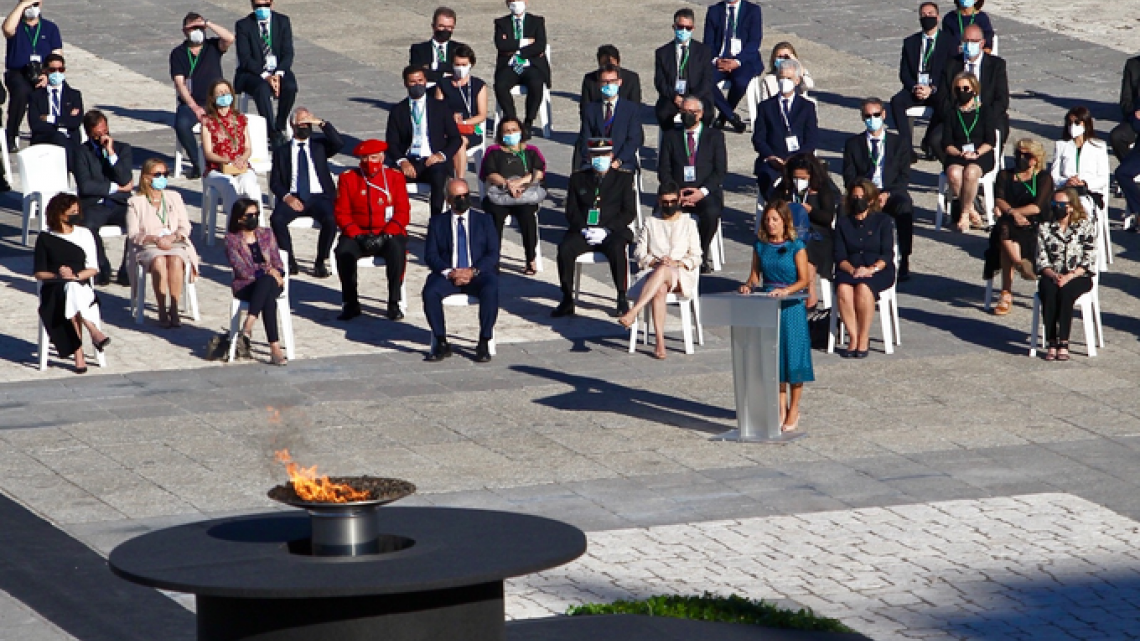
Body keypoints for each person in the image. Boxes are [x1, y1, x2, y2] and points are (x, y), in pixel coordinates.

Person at [738, 199, 813, 431]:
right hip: (769, 304)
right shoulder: (760, 246)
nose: (771, 224)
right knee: (776, 358)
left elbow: (804, 279)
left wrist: (787, 290)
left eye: (775, 220)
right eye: (767, 220)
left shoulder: (796, 246)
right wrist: (748, 286)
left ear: (784, 222)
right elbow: (754, 276)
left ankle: (794, 409)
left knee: (794, 357)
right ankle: (780, 406)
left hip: (791, 305)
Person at [552, 138, 637, 318]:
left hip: (612, 230)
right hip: (585, 230)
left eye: (604, 155)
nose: (600, 158)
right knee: (565, 249)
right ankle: (567, 298)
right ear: (589, 157)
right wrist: (583, 228)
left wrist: (607, 229)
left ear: (611, 155)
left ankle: (622, 296)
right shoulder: (578, 178)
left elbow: (629, 212)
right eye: (596, 155)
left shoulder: (623, 178)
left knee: (617, 249)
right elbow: (572, 210)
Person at [617, 182, 702, 359]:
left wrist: (677, 263)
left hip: (680, 273)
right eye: (665, 202)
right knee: (660, 289)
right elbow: (639, 253)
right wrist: (655, 261)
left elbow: (696, 256)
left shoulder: (689, 223)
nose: (669, 205)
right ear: (659, 201)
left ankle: (634, 312)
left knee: (665, 270)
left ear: (679, 200)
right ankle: (660, 342)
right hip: (653, 272)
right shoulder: (650, 222)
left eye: (672, 201)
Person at [423, 179, 501, 363]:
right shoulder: (437, 223)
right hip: (449, 274)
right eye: (459, 197)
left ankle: (484, 341)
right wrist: (450, 272)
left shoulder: (484, 220)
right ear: (449, 200)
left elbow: (493, 254)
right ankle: (441, 341)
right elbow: (431, 255)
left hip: (477, 274)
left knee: (491, 288)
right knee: (430, 292)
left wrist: (473, 271)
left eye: (467, 195)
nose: (464, 199)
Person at [33, 194, 111, 373]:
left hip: (80, 283)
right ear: (60, 214)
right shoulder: (45, 238)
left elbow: (93, 268)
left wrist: (75, 276)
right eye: (72, 212)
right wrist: (57, 274)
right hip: (54, 288)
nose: (77, 215)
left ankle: (78, 353)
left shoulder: (84, 234)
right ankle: (92, 330)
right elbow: (38, 273)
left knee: (73, 289)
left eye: (78, 211)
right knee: (70, 290)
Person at [333, 139, 410, 322]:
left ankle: (394, 302)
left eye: (374, 158)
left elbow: (402, 212)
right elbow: (341, 212)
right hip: (358, 232)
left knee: (397, 250)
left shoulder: (394, 177)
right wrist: (357, 235)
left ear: (382, 158)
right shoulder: (348, 178)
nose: (369, 162)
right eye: (365, 158)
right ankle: (350, 303)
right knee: (343, 252)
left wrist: (386, 234)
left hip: (386, 232)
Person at [842, 97, 914, 280]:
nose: (872, 119)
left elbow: (904, 176)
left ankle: (904, 257)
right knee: (844, 210)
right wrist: (868, 195)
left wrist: (887, 193)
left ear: (883, 114)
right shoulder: (853, 144)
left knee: (905, 206)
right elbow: (849, 176)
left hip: (890, 192)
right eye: (867, 116)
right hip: (865, 193)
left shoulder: (899, 143)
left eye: (875, 115)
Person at [126, 158, 200, 328]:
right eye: (158, 174)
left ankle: (173, 307)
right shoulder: (135, 202)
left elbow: (185, 225)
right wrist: (155, 239)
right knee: (159, 260)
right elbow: (133, 233)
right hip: (149, 245)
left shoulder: (174, 197)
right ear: (146, 177)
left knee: (175, 259)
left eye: (165, 174)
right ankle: (161, 307)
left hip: (174, 242)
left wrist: (173, 237)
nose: (162, 178)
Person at [269, 107, 342, 278]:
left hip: (320, 196)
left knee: (331, 219)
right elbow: (275, 182)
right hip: (294, 195)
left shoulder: (319, 146)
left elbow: (339, 143)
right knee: (276, 219)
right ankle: (289, 259)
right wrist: (287, 197)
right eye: (302, 123)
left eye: (308, 123)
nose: (305, 126)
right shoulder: (282, 151)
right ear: (293, 125)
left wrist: (321, 123)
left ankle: (320, 260)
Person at [658, 95, 726, 273]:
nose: (688, 115)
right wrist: (675, 192)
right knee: (662, 211)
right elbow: (663, 170)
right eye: (685, 111)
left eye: (693, 112)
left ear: (701, 114)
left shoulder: (715, 136)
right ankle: (667, 256)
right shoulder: (671, 136)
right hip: (677, 191)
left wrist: (701, 192)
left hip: (704, 191)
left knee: (711, 213)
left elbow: (720, 171)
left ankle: (699, 255)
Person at [987, 138, 1053, 316]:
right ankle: (1019, 264)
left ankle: (1006, 292)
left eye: (1026, 155)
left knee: (1005, 239)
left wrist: (1017, 213)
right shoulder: (1005, 175)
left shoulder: (1044, 178)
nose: (1021, 158)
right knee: (1004, 229)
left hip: (1035, 222)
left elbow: (1038, 206)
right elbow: (999, 198)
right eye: (1018, 153)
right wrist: (1013, 213)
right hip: (1009, 219)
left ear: (1036, 158)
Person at [386, 66, 462, 218]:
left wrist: (441, 155)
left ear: (426, 81)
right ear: (406, 84)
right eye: (413, 82)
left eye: (420, 81)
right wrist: (402, 161)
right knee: (389, 178)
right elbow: (391, 143)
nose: (417, 85)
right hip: (409, 160)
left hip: (433, 160)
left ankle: (436, 222)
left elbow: (455, 138)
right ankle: (397, 221)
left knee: (439, 178)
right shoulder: (398, 110)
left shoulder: (440, 107)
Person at [833, 180, 897, 359]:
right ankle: (853, 337)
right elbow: (839, 255)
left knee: (863, 288)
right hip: (849, 269)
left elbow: (886, 254)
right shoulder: (843, 223)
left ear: (870, 200)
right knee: (844, 289)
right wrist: (853, 270)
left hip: (877, 270)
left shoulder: (883, 221)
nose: (858, 201)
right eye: (855, 197)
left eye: (862, 197)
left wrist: (871, 269)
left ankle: (863, 336)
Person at [170, 12, 233, 180]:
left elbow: (229, 38)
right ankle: (198, 163)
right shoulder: (178, 53)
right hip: (192, 103)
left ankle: (225, 159)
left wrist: (208, 23)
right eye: (193, 28)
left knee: (228, 123)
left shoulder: (212, 46)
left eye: (199, 28)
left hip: (215, 101)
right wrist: (194, 107)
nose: (197, 31)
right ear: (185, 31)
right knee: (181, 125)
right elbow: (180, 83)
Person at [1035, 188, 1097, 361]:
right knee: (1048, 292)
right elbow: (1041, 259)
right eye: (1054, 203)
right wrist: (1053, 275)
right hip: (1052, 274)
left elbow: (1089, 258)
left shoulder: (1085, 226)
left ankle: (1064, 341)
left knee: (1065, 293)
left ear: (1071, 207)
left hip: (1078, 276)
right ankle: (1051, 341)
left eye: (1061, 204)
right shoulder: (1045, 227)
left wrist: (1069, 276)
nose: (1057, 207)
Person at [224, 198, 288, 366]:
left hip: (272, 282)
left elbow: (278, 263)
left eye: (257, 214)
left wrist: (274, 272)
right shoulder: (232, 240)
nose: (254, 217)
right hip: (245, 286)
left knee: (266, 284)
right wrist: (268, 271)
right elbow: (241, 270)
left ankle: (249, 322)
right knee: (267, 296)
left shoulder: (267, 234)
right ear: (239, 218)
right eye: (249, 215)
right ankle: (275, 349)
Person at [480, 117, 546, 274]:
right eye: (507, 131)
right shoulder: (493, 152)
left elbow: (539, 172)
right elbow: (489, 174)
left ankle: (531, 259)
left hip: (525, 193)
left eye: (514, 130)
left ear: (521, 131)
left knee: (528, 217)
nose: (511, 133)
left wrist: (521, 183)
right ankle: (493, 259)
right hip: (501, 194)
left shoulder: (531, 151)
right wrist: (508, 185)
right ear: (500, 134)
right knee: (494, 217)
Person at [74, 110, 133, 286]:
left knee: (137, 221)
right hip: (95, 205)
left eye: (104, 130)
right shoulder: (81, 152)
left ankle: (127, 269)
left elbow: (124, 177)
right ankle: (102, 265)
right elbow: (85, 186)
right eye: (98, 132)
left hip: (119, 204)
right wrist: (116, 188)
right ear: (89, 132)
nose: (102, 135)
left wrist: (111, 154)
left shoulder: (123, 149)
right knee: (87, 225)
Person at [890, 2, 955, 158]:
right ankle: (906, 147)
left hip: (937, 89)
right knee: (897, 102)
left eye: (931, 14)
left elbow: (950, 72)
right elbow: (904, 72)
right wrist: (915, 87)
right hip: (916, 86)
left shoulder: (949, 42)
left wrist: (932, 88)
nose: (927, 18)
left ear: (938, 17)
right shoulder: (910, 42)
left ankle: (929, 141)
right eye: (924, 15)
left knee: (945, 105)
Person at [933, 23, 1007, 159]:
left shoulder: (996, 65)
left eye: (973, 41)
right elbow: (942, 97)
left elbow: (1002, 100)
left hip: (986, 116)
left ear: (982, 43)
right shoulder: (951, 64)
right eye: (966, 41)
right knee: (936, 139)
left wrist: (986, 116)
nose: (969, 44)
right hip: (958, 116)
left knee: (995, 137)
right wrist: (954, 115)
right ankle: (954, 167)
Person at [771, 153, 835, 307]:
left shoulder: (823, 187)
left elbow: (827, 217)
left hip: (817, 232)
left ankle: (809, 293)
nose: (799, 181)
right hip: (790, 231)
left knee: (806, 249)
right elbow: (772, 205)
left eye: (803, 178)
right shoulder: (786, 187)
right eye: (796, 177)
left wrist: (810, 210)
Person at [752, 57, 817, 198]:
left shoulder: (807, 107)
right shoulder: (766, 106)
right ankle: (777, 209)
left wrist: (794, 158)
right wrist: (771, 156)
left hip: (799, 159)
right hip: (773, 159)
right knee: (766, 178)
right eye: (781, 77)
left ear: (797, 80)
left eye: (789, 78)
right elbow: (758, 138)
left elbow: (811, 140)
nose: (784, 81)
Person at [3, 0, 63, 153]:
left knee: (45, 94)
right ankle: (12, 133)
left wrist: (48, 75)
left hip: (43, 71)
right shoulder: (17, 25)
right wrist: (22, 6)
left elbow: (57, 56)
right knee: (22, 92)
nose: (32, 8)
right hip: (19, 72)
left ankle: (45, 133)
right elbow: (7, 29)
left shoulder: (50, 28)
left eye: (35, 4)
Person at [233, 0, 295, 146]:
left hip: (277, 69)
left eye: (265, 5)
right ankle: (271, 132)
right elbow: (245, 58)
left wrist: (278, 74)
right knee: (261, 88)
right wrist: (266, 76)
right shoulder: (243, 25)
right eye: (258, 6)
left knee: (290, 86)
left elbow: (288, 53)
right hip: (253, 72)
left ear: (272, 4)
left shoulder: (282, 21)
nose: (262, 9)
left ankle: (279, 125)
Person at [201, 79, 262, 225]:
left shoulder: (240, 119)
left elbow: (248, 147)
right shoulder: (208, 121)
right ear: (212, 98)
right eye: (220, 93)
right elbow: (208, 152)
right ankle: (234, 226)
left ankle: (255, 224)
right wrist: (225, 160)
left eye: (226, 92)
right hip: (217, 168)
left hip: (240, 165)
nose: (224, 95)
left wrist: (242, 159)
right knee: (229, 186)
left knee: (249, 184)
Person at [941, 72, 995, 231]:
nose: (962, 92)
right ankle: (972, 210)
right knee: (954, 174)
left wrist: (976, 153)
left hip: (980, 154)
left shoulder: (985, 111)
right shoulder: (952, 112)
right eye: (958, 89)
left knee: (971, 173)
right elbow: (947, 143)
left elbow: (990, 140)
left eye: (966, 88)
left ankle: (964, 214)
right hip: (958, 154)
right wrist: (959, 153)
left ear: (974, 89)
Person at [703, 0, 762, 133]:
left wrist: (737, 61)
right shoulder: (714, 11)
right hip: (720, 59)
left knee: (740, 82)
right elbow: (708, 42)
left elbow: (754, 42)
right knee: (703, 79)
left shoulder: (753, 10)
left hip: (744, 60)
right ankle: (731, 115)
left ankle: (723, 116)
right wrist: (716, 60)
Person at [492, 0, 550, 133]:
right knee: (500, 85)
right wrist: (525, 41)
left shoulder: (537, 21)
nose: (516, 4)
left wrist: (518, 51)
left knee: (536, 83)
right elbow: (501, 45)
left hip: (532, 65)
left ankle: (528, 122)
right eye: (513, 1)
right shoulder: (501, 23)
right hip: (509, 66)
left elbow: (540, 45)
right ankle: (512, 119)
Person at [654, 8, 714, 130]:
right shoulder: (662, 53)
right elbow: (660, 81)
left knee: (707, 113)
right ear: (674, 27)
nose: (684, 31)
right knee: (663, 113)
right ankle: (672, 142)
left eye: (688, 28)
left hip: (697, 95)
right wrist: (675, 97)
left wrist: (692, 100)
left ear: (693, 29)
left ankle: (699, 143)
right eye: (680, 27)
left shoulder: (704, 51)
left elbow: (707, 80)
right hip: (673, 96)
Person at [434, 43, 488, 180]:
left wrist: (463, 122)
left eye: (464, 65)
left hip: (468, 128)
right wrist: (449, 118)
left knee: (459, 142)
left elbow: (482, 115)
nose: (460, 68)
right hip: (447, 127)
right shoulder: (443, 84)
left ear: (471, 64)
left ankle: (459, 181)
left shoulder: (478, 85)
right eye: (457, 64)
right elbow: (437, 108)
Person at [1050, 107, 1110, 229]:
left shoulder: (1099, 146)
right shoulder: (1061, 145)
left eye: (1077, 123)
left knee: (1085, 207)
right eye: (1070, 123)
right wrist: (1065, 181)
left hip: (1088, 192)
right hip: (1067, 190)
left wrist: (1085, 183)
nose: (1073, 126)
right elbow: (1054, 174)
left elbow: (1103, 177)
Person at [576, 63, 643, 170]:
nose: (609, 84)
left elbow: (634, 139)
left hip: (621, 161)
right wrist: (597, 158)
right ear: (599, 84)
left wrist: (618, 161)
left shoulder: (631, 109)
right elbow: (585, 138)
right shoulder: (590, 109)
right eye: (605, 82)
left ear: (619, 82)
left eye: (612, 81)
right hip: (595, 160)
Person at [26, 53, 80, 166]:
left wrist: (51, 118)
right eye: (52, 70)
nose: (57, 73)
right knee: (59, 138)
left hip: (69, 138)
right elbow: (35, 124)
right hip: (44, 138)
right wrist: (62, 123)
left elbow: (75, 122)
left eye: (61, 69)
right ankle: (71, 167)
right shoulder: (36, 96)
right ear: (45, 71)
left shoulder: (74, 95)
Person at [580, 44, 642, 119]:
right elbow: (585, 109)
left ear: (618, 63)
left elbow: (635, 108)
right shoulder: (589, 80)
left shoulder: (631, 79)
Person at [409, 6, 466, 85]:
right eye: (441, 26)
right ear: (433, 26)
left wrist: (433, 66)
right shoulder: (419, 49)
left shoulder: (459, 48)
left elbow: (460, 71)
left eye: (449, 27)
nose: (445, 30)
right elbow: (418, 73)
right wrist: (444, 74)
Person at [1109, 54, 1140, 163]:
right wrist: (1134, 113)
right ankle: (1131, 167)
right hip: (1137, 118)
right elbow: (1125, 100)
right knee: (1117, 136)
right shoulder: (1133, 65)